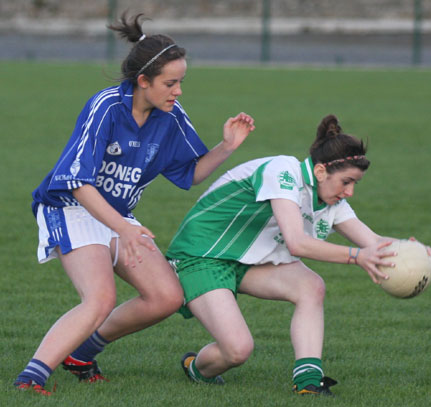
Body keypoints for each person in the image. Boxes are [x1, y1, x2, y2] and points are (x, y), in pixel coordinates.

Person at [13, 12, 255, 396]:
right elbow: (77, 183)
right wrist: (124, 228)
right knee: (100, 299)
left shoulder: (170, 116)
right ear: (143, 81)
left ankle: (82, 354)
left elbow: (190, 174)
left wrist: (226, 147)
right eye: (170, 83)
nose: (178, 91)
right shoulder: (107, 106)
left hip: (116, 216)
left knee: (166, 297)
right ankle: (30, 378)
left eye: (181, 82)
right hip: (69, 206)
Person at [166, 114, 431, 396]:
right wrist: (357, 256)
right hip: (202, 256)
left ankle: (308, 380)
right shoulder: (282, 171)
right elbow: (297, 243)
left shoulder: (331, 201)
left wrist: (414, 251)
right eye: (346, 181)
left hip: (246, 262)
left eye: (355, 183)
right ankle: (196, 368)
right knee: (237, 351)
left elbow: (375, 242)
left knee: (311, 286)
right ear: (321, 172)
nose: (350, 192)